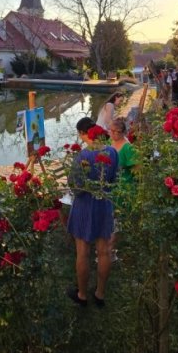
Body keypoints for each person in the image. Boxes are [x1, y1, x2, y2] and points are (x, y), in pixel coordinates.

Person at [66, 117, 118, 307]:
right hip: (104, 204)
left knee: (83, 252)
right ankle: (100, 294)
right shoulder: (112, 151)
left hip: (85, 206)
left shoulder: (82, 156)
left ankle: (82, 294)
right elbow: (114, 180)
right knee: (104, 251)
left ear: (82, 134)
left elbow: (74, 186)